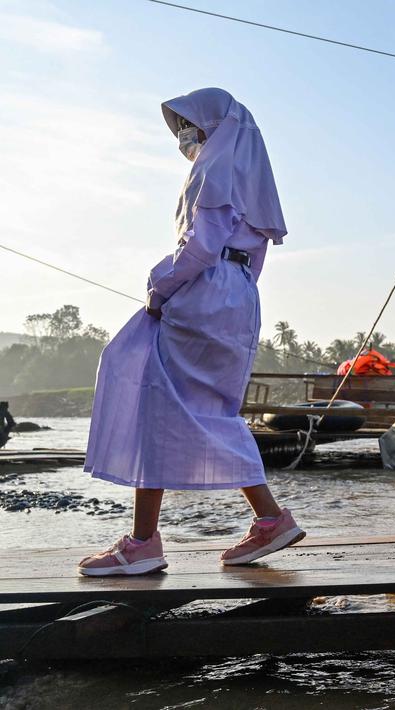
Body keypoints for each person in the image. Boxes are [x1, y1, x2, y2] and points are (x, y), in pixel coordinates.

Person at [79, 88, 305, 576]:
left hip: (204, 289)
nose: (183, 136)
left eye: (189, 126)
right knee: (213, 408)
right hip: (239, 297)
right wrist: (226, 296)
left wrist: (159, 287)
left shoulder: (212, 172)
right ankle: (268, 518)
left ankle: (144, 542)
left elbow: (199, 247)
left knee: (154, 400)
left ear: (213, 128)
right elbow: (254, 258)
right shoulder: (251, 179)